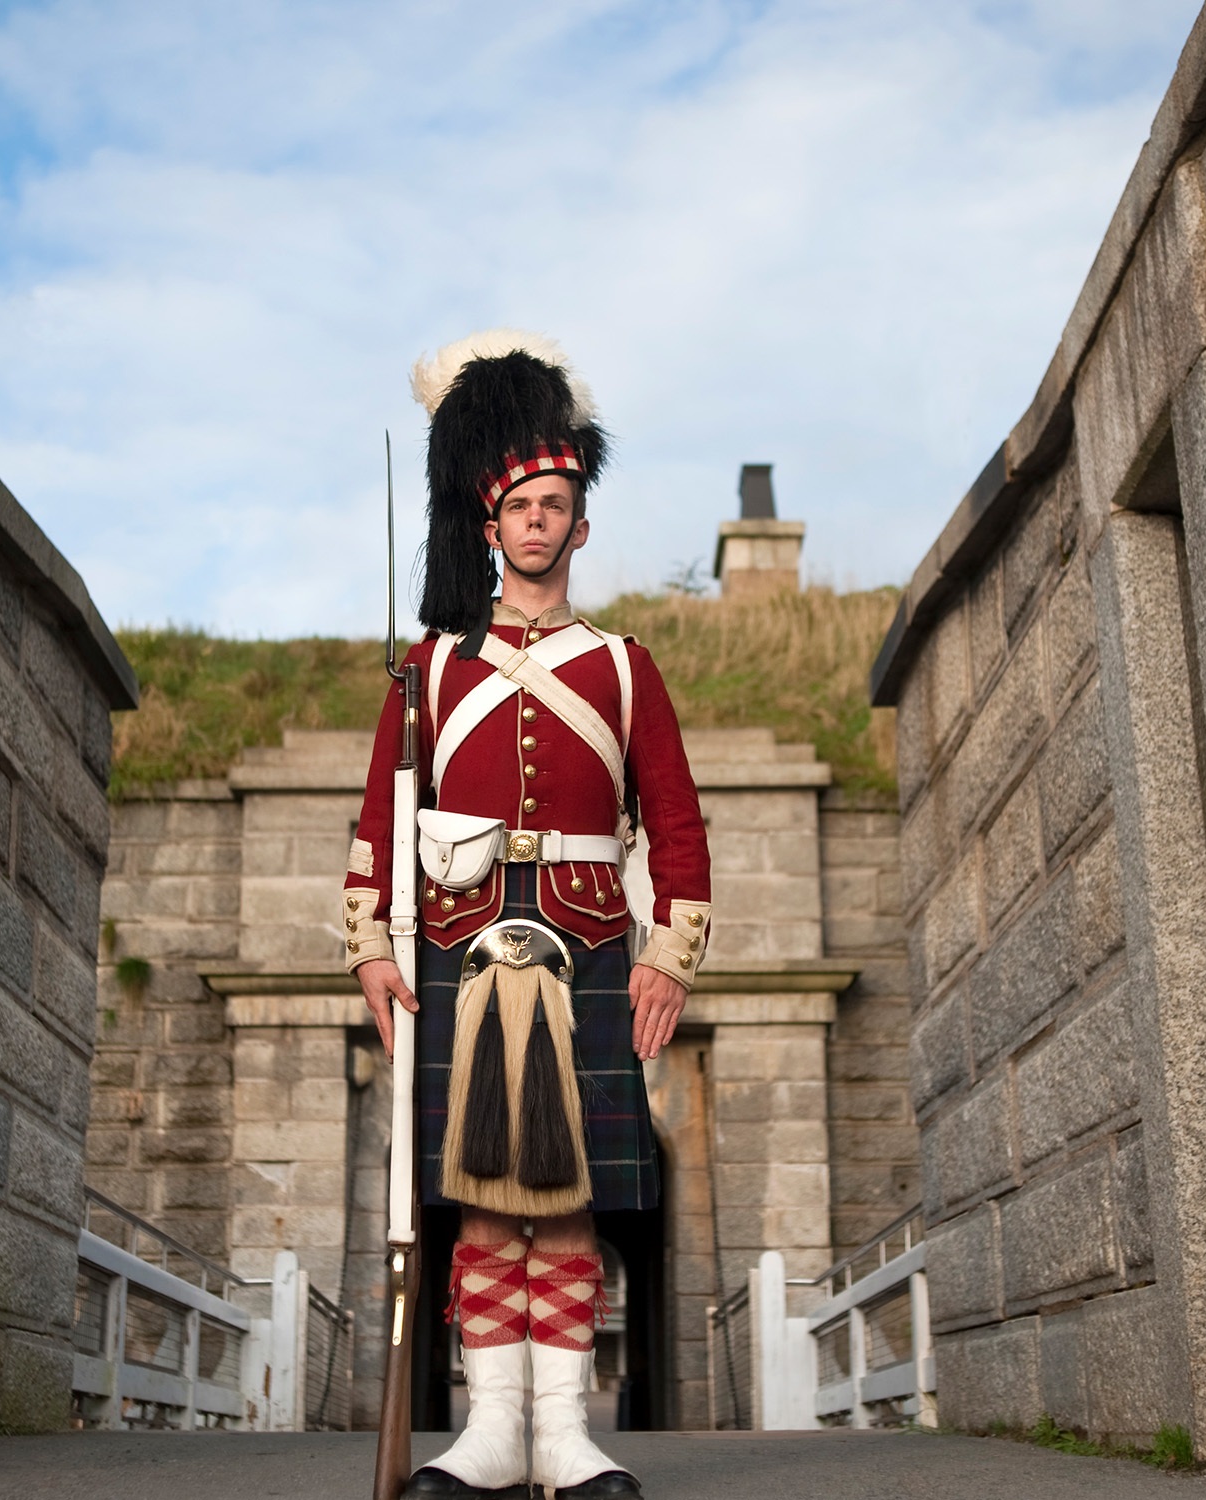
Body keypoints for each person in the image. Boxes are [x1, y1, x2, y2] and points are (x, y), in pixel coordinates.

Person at [344, 331, 711, 1500]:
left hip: (589, 943)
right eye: (522, 508)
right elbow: (376, 824)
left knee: (564, 1197)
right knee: (476, 1201)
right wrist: (369, 950)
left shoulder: (622, 665)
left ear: (580, 523)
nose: (540, 525)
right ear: (489, 527)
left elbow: (678, 823)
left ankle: (562, 1431)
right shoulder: (428, 668)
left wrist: (669, 956)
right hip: (456, 945)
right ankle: (491, 1427)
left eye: (558, 505)